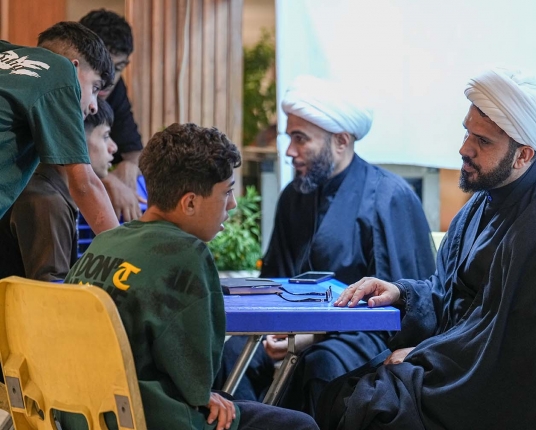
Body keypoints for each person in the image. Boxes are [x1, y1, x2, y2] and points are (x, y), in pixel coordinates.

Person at [317, 68, 536, 430]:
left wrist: (421, 355)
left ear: (523, 155)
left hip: (502, 397)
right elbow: (448, 295)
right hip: (459, 368)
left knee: (367, 407)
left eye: (483, 141)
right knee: (334, 386)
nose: (465, 148)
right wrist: (400, 293)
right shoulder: (483, 201)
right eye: (467, 132)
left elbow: (510, 351)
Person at [61, 123, 319, 430]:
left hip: (80, 413)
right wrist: (202, 394)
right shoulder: (186, 254)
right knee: (301, 424)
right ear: (190, 202)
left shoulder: (104, 242)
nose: (233, 204)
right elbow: (197, 381)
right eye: (227, 192)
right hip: (146, 418)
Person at [216, 76, 437, 411]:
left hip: (363, 338)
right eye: (290, 138)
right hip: (293, 330)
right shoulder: (293, 197)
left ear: (341, 141)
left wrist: (312, 336)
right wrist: (278, 331)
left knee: (320, 363)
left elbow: (403, 312)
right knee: (230, 353)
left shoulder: (389, 197)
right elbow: (273, 281)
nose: (289, 152)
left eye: (300, 139)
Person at [0, 21, 118, 233]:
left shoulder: (6, 54)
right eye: (95, 87)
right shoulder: (62, 71)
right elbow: (85, 185)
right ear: (74, 68)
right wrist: (124, 249)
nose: (94, 106)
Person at [0, 98, 117, 282]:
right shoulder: (46, 201)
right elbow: (51, 292)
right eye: (105, 136)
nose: (113, 147)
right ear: (75, 140)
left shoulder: (46, 188)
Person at [80, 9, 144, 222]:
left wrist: (129, 166)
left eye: (118, 68)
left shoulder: (114, 89)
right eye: (103, 66)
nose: (110, 79)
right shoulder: (58, 89)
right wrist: (104, 178)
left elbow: (134, 151)